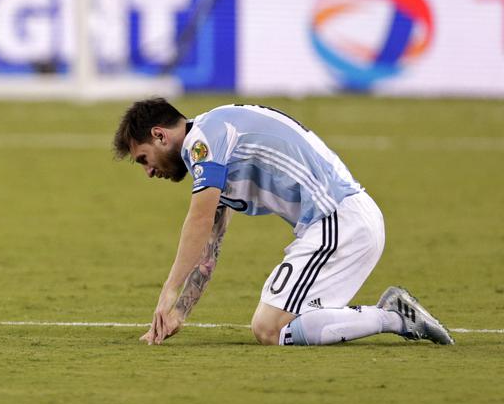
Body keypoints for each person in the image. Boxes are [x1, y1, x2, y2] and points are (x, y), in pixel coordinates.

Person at [113, 98, 455, 347]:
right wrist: (180, 313)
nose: (148, 171)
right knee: (281, 327)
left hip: (338, 221)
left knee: (270, 329)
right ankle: (389, 316)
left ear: (160, 135)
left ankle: (392, 316)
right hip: (343, 224)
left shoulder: (202, 141)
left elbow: (198, 220)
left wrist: (168, 292)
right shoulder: (216, 144)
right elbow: (208, 248)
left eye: (144, 159)